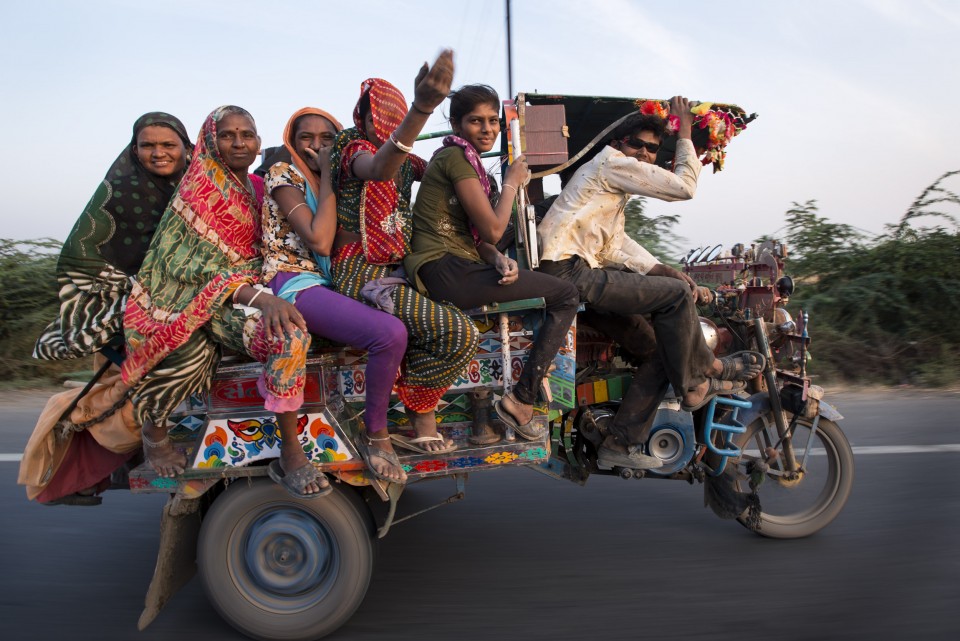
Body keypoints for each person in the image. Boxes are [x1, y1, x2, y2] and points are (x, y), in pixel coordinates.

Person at [537, 97, 762, 469]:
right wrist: (686, 131)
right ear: (619, 145)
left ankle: (621, 441)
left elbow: (615, 245)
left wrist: (666, 270)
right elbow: (684, 188)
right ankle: (703, 376)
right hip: (568, 273)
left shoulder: (608, 190)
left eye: (652, 149)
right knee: (674, 298)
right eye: (636, 144)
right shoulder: (611, 163)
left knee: (662, 348)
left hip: (579, 276)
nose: (642, 153)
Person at [121, 105, 328, 498]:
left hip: (255, 288)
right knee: (287, 333)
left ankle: (294, 444)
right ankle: (157, 433)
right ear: (210, 140)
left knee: (303, 330)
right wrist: (262, 299)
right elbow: (190, 265)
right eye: (228, 135)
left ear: (258, 142)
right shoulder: (197, 190)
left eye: (247, 134)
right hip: (204, 299)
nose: (239, 143)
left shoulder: (258, 185)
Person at [405, 84, 579, 442]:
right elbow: (495, 226)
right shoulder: (454, 158)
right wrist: (513, 182)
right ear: (456, 124)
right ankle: (522, 399)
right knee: (566, 295)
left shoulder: (469, 163)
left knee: (551, 289)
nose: (487, 129)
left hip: (455, 264)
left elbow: (480, 241)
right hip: (442, 270)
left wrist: (499, 258)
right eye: (475, 121)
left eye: (492, 121)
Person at [330, 51, 479, 454]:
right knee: (458, 331)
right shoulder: (351, 150)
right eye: (377, 115)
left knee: (460, 317)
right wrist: (422, 108)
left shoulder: (409, 161)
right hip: (359, 274)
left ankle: (427, 411)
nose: (381, 123)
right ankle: (422, 415)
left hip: (400, 269)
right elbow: (379, 168)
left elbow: (439, 171)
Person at [261, 107, 409, 484]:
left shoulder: (337, 183)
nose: (316, 146)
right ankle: (376, 434)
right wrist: (328, 171)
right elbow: (319, 240)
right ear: (291, 144)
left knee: (415, 310)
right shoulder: (283, 175)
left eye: (327, 140)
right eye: (305, 139)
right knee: (388, 333)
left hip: (327, 282)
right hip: (292, 282)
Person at [34, 112, 193, 361]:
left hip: (195, 286)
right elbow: (78, 253)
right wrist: (134, 286)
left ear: (186, 147)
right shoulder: (118, 191)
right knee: (119, 384)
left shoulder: (203, 186)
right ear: (134, 150)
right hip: (132, 295)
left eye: (169, 145)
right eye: (147, 146)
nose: (158, 153)